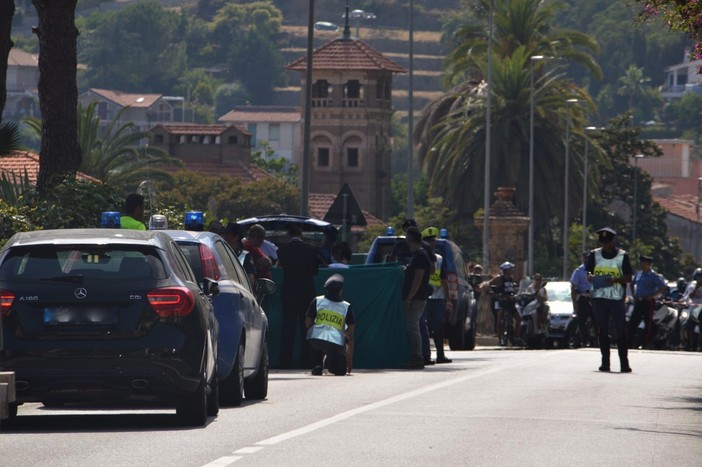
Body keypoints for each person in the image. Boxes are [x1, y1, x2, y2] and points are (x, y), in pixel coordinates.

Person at [586, 227, 633, 373]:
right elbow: (589, 272)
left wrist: (615, 280)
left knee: (620, 330)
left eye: (607, 242)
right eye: (602, 241)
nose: (605, 244)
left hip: (616, 297)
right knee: (602, 329)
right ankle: (605, 362)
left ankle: (624, 363)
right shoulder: (594, 254)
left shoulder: (623, 255)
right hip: (599, 297)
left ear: (612, 241)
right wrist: (591, 277)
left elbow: (628, 277)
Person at [277, 224, 320, 368]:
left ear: (288, 235)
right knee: (306, 327)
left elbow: (282, 266)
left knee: (288, 328)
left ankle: (285, 361)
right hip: (307, 293)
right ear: (301, 234)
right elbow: (315, 270)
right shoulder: (310, 249)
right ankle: (306, 360)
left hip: (289, 292)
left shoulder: (282, 250)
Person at [305, 274, 355, 376]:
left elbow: (308, 323)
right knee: (339, 370)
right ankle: (332, 364)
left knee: (314, 340)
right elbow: (350, 332)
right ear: (341, 290)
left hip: (315, 339)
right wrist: (349, 357)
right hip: (336, 344)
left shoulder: (317, 301)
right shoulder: (346, 306)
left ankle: (317, 364)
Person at [421, 227, 453, 364]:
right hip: (424, 298)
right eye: (428, 241)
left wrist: (448, 300)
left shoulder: (439, 259)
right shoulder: (421, 256)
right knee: (424, 328)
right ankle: (426, 356)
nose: (431, 243)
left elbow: (444, 280)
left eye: (432, 241)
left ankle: (440, 355)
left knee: (438, 328)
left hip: (437, 298)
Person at [402, 227, 432, 369]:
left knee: (412, 326)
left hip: (417, 298)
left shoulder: (420, 256)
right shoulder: (417, 255)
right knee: (412, 326)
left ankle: (417, 356)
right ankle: (415, 355)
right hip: (417, 297)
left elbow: (418, 279)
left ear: (411, 239)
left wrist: (409, 298)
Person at [628, 255, 667, 349]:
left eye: (643, 263)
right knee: (633, 322)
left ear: (648, 264)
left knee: (648, 324)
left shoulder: (653, 276)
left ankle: (645, 343)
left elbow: (663, 287)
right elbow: (632, 284)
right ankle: (629, 343)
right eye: (640, 262)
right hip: (638, 301)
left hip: (648, 302)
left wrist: (652, 296)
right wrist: (634, 295)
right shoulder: (638, 273)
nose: (640, 264)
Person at [487, 261, 522, 345]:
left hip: (511, 301)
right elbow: (489, 284)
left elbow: (514, 289)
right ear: (506, 270)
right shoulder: (500, 278)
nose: (512, 271)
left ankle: (517, 337)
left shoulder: (511, 279)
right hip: (502, 301)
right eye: (510, 269)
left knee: (518, 318)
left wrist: (516, 294)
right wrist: (493, 292)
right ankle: (500, 338)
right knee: (500, 320)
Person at [571, 250, 595, 346]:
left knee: (597, 320)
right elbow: (573, 287)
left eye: (589, 258)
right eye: (586, 257)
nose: (587, 259)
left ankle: (596, 340)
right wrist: (574, 303)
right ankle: (585, 340)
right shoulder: (579, 271)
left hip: (594, 298)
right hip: (583, 297)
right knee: (582, 321)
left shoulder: (596, 269)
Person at [681, 268, 702, 351]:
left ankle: (700, 345)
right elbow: (690, 296)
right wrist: (697, 287)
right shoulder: (692, 285)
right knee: (688, 327)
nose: (699, 278)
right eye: (698, 277)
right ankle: (688, 342)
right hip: (693, 310)